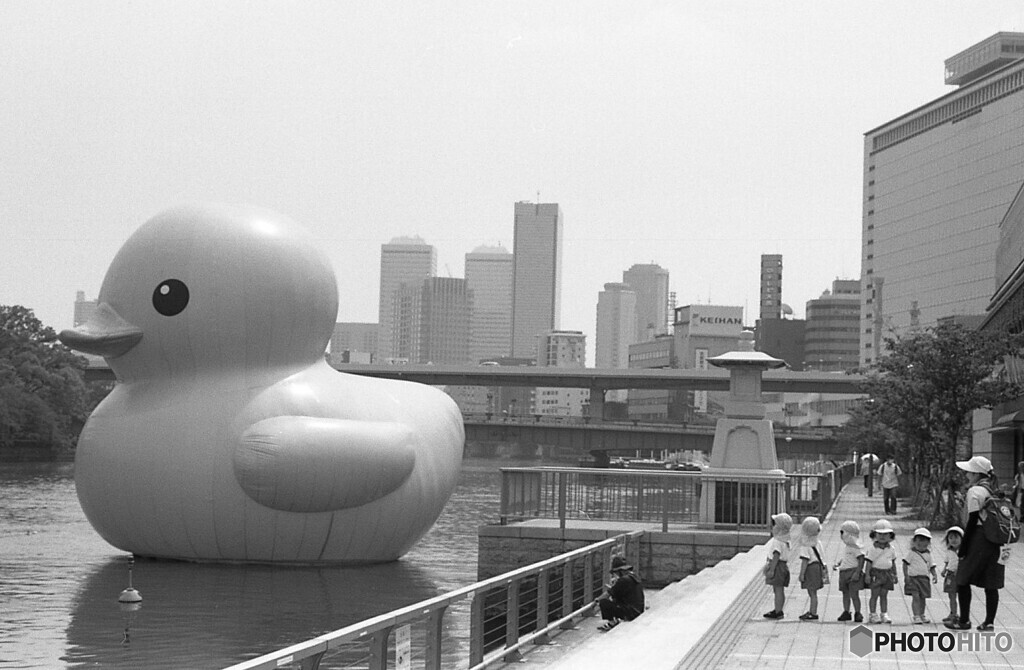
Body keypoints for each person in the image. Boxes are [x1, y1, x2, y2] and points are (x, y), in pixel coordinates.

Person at [946, 455, 1004, 632]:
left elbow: (972, 520)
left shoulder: (975, 492)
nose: (966, 474)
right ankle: (989, 622)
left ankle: (964, 620)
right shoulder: (993, 489)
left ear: (977, 473)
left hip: (978, 537)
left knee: (963, 579)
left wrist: (963, 547)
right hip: (996, 540)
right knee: (991, 583)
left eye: (969, 471)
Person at [596, 555, 644, 631]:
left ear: (620, 571)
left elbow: (608, 594)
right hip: (638, 609)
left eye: (616, 573)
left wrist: (597, 600)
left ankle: (612, 623)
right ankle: (617, 619)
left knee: (604, 602)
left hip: (630, 612)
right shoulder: (634, 577)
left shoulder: (623, 580)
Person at [864, 518, 898, 624]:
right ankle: (873, 614)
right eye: (879, 534)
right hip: (876, 573)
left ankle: (884, 613)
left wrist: (895, 574)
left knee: (884, 594)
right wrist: (867, 575)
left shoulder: (891, 548)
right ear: (874, 535)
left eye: (886, 534)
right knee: (874, 594)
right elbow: (869, 562)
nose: (882, 537)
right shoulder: (873, 549)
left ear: (890, 536)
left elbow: (893, 562)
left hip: (887, 574)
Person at [902, 528, 938, 624]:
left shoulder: (928, 554)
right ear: (914, 542)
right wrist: (906, 576)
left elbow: (931, 566)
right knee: (916, 597)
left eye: (924, 544)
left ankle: (922, 614)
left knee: (923, 598)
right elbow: (905, 564)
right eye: (918, 544)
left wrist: (934, 575)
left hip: (924, 579)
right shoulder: (911, 553)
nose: (921, 546)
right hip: (913, 578)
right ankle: (916, 615)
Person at [833, 519, 865, 622]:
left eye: (842, 532)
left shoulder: (856, 547)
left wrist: (857, 572)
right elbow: (847, 557)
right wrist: (839, 563)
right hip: (844, 572)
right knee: (845, 593)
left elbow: (861, 559)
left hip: (852, 571)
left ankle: (857, 612)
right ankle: (846, 611)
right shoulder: (847, 546)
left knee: (854, 594)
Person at [762, 512, 793, 619]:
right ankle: (778, 609)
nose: (773, 527)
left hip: (777, 566)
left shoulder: (777, 541)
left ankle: (778, 611)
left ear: (779, 528)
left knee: (778, 589)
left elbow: (776, 555)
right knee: (779, 589)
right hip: (783, 566)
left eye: (775, 525)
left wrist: (771, 570)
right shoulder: (787, 540)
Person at [797, 516, 828, 620]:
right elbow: (822, 556)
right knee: (814, 592)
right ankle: (812, 611)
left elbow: (805, 561)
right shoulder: (817, 542)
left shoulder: (805, 545)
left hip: (811, 569)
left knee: (812, 592)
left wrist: (801, 574)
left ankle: (813, 612)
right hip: (818, 567)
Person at [941, 526, 964, 624]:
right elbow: (947, 562)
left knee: (961, 595)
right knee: (951, 595)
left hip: (960, 575)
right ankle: (952, 613)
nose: (953, 540)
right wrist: (944, 570)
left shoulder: (963, 551)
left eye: (956, 537)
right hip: (950, 575)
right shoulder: (949, 551)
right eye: (950, 538)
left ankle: (958, 614)